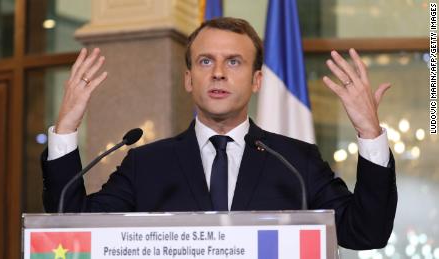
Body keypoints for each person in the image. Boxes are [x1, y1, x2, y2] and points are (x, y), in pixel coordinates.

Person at [41, 17, 397, 250]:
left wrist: (369, 132)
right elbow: (71, 232)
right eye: (206, 61)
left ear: (257, 80)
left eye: (234, 61)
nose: (218, 73)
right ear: (188, 78)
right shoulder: (146, 163)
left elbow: (366, 232)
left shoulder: (296, 161)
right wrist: (68, 127)